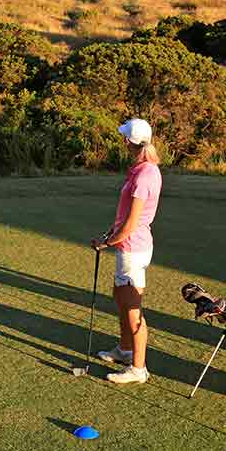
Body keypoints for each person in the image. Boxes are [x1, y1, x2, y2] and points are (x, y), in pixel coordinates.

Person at [90, 118, 162, 385]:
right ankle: (125, 349)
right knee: (121, 298)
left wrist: (106, 243)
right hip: (128, 246)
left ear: (128, 142)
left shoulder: (145, 175)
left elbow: (132, 223)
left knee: (133, 310)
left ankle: (138, 368)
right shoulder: (142, 168)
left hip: (133, 249)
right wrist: (109, 235)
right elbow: (123, 218)